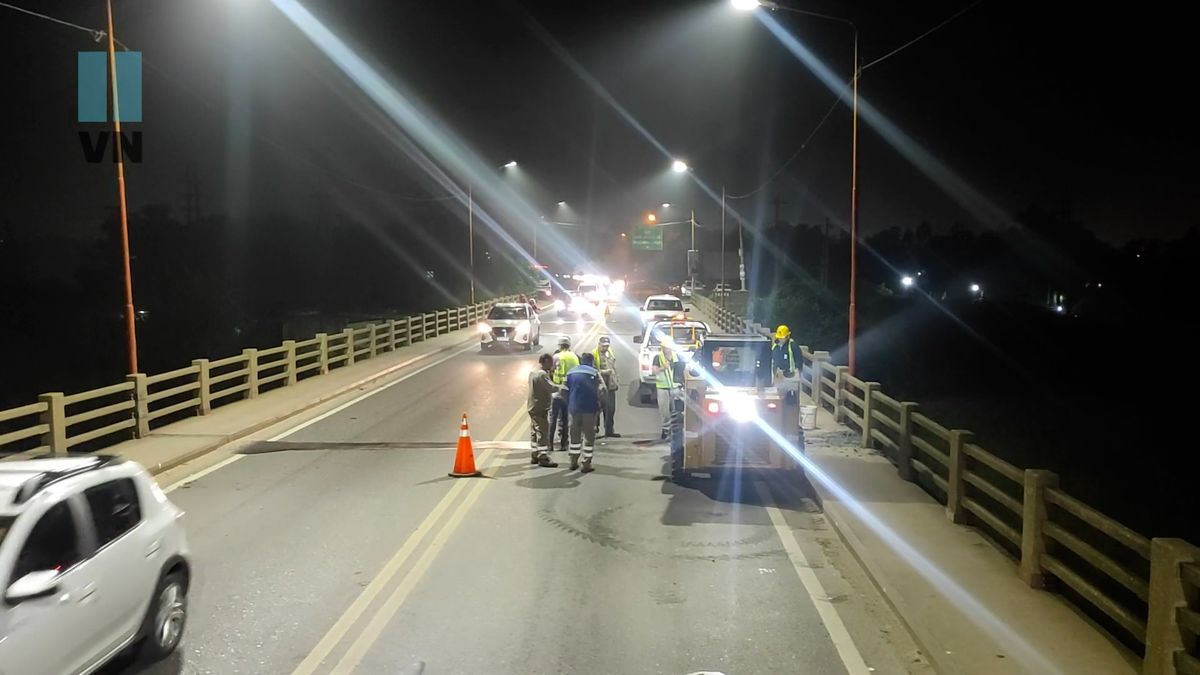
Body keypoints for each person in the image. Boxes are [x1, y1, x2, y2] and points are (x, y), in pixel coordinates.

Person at [565, 351, 603, 472]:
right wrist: (601, 405)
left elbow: (563, 389)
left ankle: (573, 462)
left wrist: (569, 402)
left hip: (574, 409)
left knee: (574, 436)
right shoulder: (595, 373)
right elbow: (602, 390)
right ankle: (586, 463)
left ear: (581, 361)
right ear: (592, 361)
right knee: (588, 437)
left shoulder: (570, 372)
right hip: (589, 409)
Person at [527, 353, 560, 468]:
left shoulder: (533, 372)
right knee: (543, 432)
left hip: (532, 406)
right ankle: (543, 457)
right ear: (545, 361)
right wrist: (562, 386)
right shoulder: (541, 375)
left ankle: (534, 454)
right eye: (551, 363)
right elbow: (551, 388)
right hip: (540, 407)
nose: (552, 366)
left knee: (534, 431)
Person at [549, 336, 579, 451]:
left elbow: (551, 370)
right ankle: (564, 443)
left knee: (553, 418)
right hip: (569, 392)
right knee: (565, 418)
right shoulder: (574, 357)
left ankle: (550, 443)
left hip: (556, 391)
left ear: (560, 346)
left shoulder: (557, 356)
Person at [593, 336, 621, 438]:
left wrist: (616, 380)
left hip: (610, 386)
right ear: (599, 344)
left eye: (607, 346)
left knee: (610, 409)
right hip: (600, 387)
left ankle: (609, 430)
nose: (605, 348)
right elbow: (593, 370)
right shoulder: (594, 354)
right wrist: (604, 372)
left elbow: (613, 368)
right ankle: (594, 430)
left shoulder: (610, 353)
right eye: (603, 346)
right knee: (597, 409)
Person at [653, 341, 679, 441]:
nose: (667, 349)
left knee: (676, 410)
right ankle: (665, 430)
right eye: (665, 347)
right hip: (662, 387)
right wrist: (662, 368)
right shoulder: (658, 357)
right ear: (662, 348)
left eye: (668, 347)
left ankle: (675, 432)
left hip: (675, 387)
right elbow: (654, 371)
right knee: (665, 411)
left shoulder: (677, 357)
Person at [772, 324, 799, 404]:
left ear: (787, 336)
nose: (781, 339)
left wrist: (798, 371)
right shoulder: (775, 346)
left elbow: (799, 359)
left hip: (790, 374)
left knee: (792, 396)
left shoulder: (792, 346)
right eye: (780, 337)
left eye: (783, 338)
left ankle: (792, 409)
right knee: (779, 395)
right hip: (778, 374)